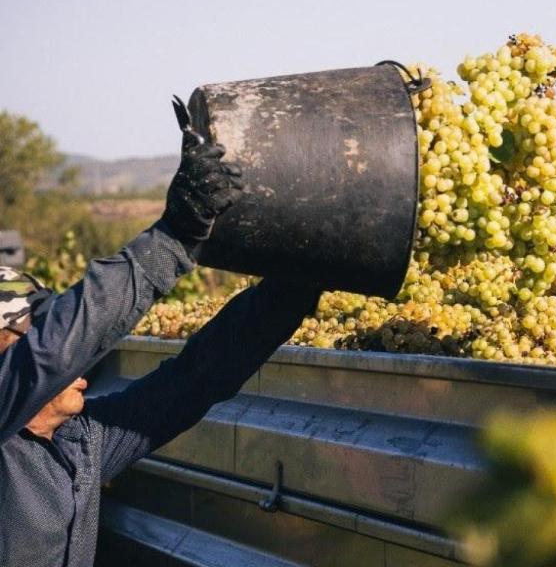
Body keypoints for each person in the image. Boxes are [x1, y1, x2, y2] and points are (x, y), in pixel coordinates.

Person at [0, 105, 322, 567]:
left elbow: (196, 378)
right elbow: (57, 349)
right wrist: (174, 236)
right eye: (33, 327)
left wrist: (294, 287)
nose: (74, 359)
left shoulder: (82, 442)